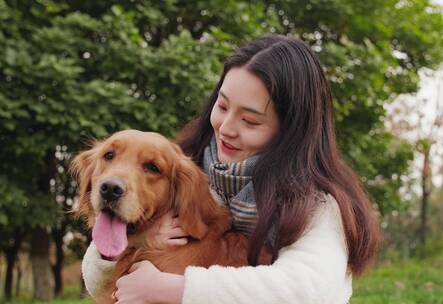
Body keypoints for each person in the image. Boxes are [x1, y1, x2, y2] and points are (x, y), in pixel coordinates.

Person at [81, 34, 380, 304]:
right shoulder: (185, 170)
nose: (225, 128)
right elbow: (98, 283)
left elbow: (311, 291)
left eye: (249, 121)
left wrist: (172, 289)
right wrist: (135, 238)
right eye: (223, 106)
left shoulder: (317, 204)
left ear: (289, 132)